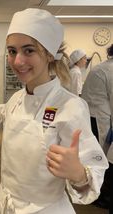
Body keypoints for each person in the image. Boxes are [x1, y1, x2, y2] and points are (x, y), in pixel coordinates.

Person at [0, 8, 108, 214]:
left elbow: (93, 175)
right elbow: (4, 113)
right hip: (6, 204)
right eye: (12, 51)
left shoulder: (70, 107)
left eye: (28, 50)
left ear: (49, 54)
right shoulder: (19, 97)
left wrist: (78, 174)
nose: (17, 61)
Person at [82, 44, 113, 213]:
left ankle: (98, 193)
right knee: (102, 160)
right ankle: (101, 197)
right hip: (100, 120)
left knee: (98, 158)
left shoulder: (104, 68)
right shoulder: (110, 70)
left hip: (95, 117)